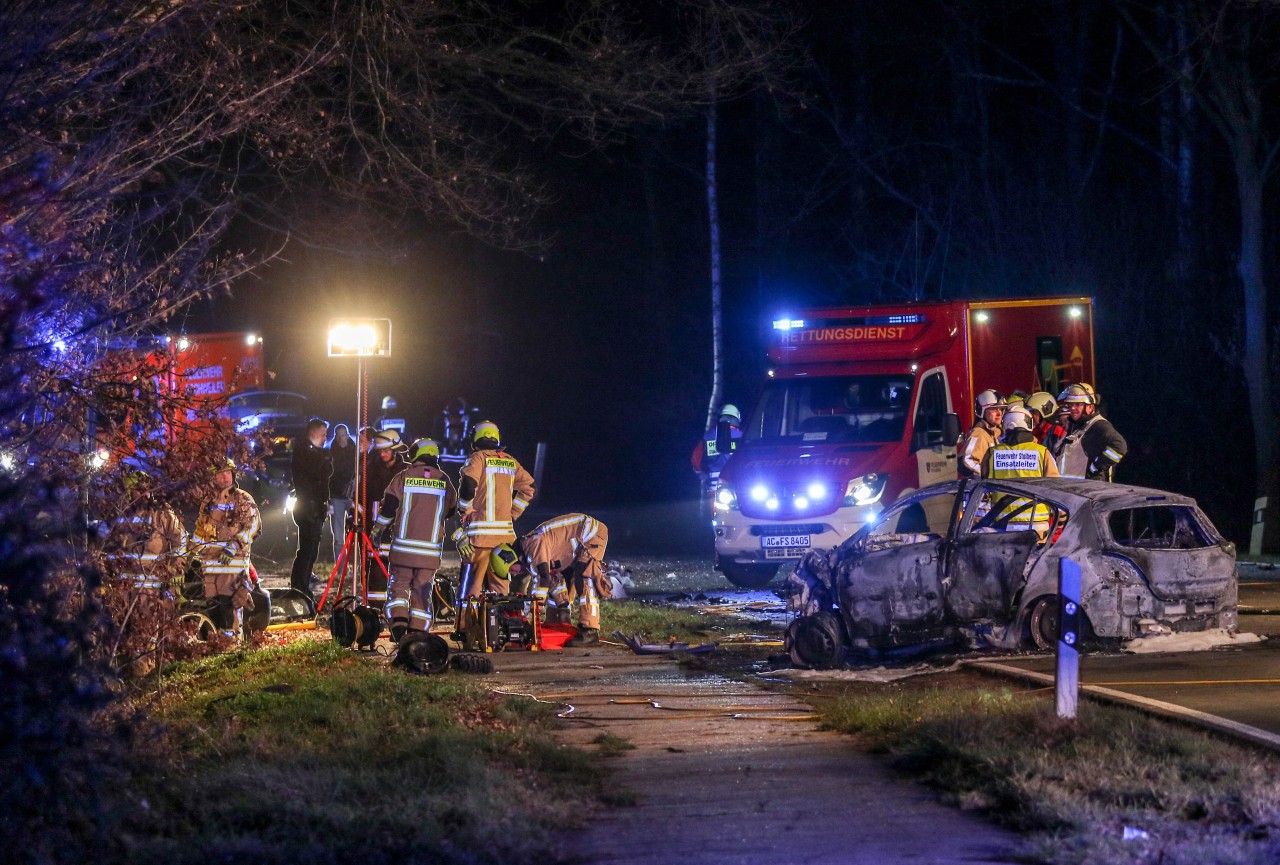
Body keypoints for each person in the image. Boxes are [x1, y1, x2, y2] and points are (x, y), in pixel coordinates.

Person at [102, 470, 188, 674]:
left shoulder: (163, 514)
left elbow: (181, 540)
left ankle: (143, 673)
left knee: (146, 629)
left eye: (145, 489)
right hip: (124, 588)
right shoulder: (122, 516)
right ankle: (124, 673)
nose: (143, 493)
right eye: (137, 490)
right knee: (123, 630)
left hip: (151, 586)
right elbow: (107, 544)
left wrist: (175, 568)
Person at [375, 438, 457, 643]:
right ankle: (417, 631)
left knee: (399, 585)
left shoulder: (404, 476)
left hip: (403, 547)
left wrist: (378, 528)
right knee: (423, 589)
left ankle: (399, 624)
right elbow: (451, 510)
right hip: (430, 551)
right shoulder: (444, 479)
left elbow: (389, 506)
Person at [455, 420, 535, 596]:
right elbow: (529, 488)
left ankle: (469, 623)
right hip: (504, 538)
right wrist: (513, 513)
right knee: (500, 587)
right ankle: (500, 622)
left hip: (479, 539)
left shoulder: (477, 458)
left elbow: (469, 484)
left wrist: (464, 508)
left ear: (475, 438)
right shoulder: (510, 461)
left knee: (471, 587)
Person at [517, 513, 611, 647]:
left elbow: (543, 578)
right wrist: (562, 606)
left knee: (585, 578)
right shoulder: (530, 550)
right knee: (565, 576)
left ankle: (591, 630)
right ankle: (558, 619)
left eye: (512, 571)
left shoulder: (533, 544)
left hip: (591, 534)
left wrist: (533, 614)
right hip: (578, 540)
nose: (514, 574)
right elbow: (553, 578)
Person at [193, 458, 261, 640]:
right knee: (214, 610)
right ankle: (220, 648)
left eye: (228, 472)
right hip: (211, 566)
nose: (225, 477)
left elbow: (253, 527)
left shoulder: (243, 499)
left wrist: (234, 546)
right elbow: (201, 530)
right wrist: (190, 552)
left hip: (233, 565)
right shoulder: (208, 502)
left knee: (229, 608)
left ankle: (232, 649)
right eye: (220, 473)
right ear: (213, 478)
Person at [353, 428, 409, 605]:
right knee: (376, 570)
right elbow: (362, 497)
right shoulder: (370, 470)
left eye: (386, 450)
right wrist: (354, 516)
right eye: (380, 451)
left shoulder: (406, 471)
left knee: (402, 570)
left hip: (400, 529)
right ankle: (376, 609)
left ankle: (399, 606)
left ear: (395, 450)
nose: (383, 454)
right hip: (375, 529)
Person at [289, 417, 331, 598]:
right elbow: (324, 471)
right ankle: (300, 587)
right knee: (307, 550)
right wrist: (327, 458)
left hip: (312, 508)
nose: (325, 438)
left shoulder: (310, 452)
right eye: (323, 434)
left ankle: (303, 583)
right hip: (308, 509)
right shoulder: (306, 452)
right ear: (314, 433)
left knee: (310, 550)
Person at [1056, 383, 1127, 481]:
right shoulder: (1076, 426)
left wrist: (1096, 467)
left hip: (1086, 491)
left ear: (1090, 407)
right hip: (1071, 490)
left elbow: (1120, 446)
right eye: (1071, 404)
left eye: (1078, 404)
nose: (1072, 408)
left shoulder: (1098, 425)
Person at [981, 408, 1060, 479]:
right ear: (1028, 423)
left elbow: (982, 479)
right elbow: (1053, 483)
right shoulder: (1042, 452)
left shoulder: (992, 452)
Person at [691, 404, 743, 500]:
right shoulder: (743, 436)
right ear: (736, 418)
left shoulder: (708, 435)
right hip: (738, 481)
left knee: (716, 512)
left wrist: (702, 475)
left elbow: (696, 459)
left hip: (713, 484)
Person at [958, 389, 1005, 478]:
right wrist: (987, 474)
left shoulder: (994, 433)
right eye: (994, 409)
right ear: (982, 411)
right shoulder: (979, 433)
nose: (999, 413)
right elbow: (966, 461)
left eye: (1001, 409)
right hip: (982, 489)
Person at [326, 423, 357, 562]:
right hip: (336, 496)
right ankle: (340, 566)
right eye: (338, 436)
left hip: (352, 495)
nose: (341, 439)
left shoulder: (355, 451)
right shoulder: (330, 452)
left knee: (356, 529)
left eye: (343, 435)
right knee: (338, 533)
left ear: (347, 435)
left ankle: (355, 564)